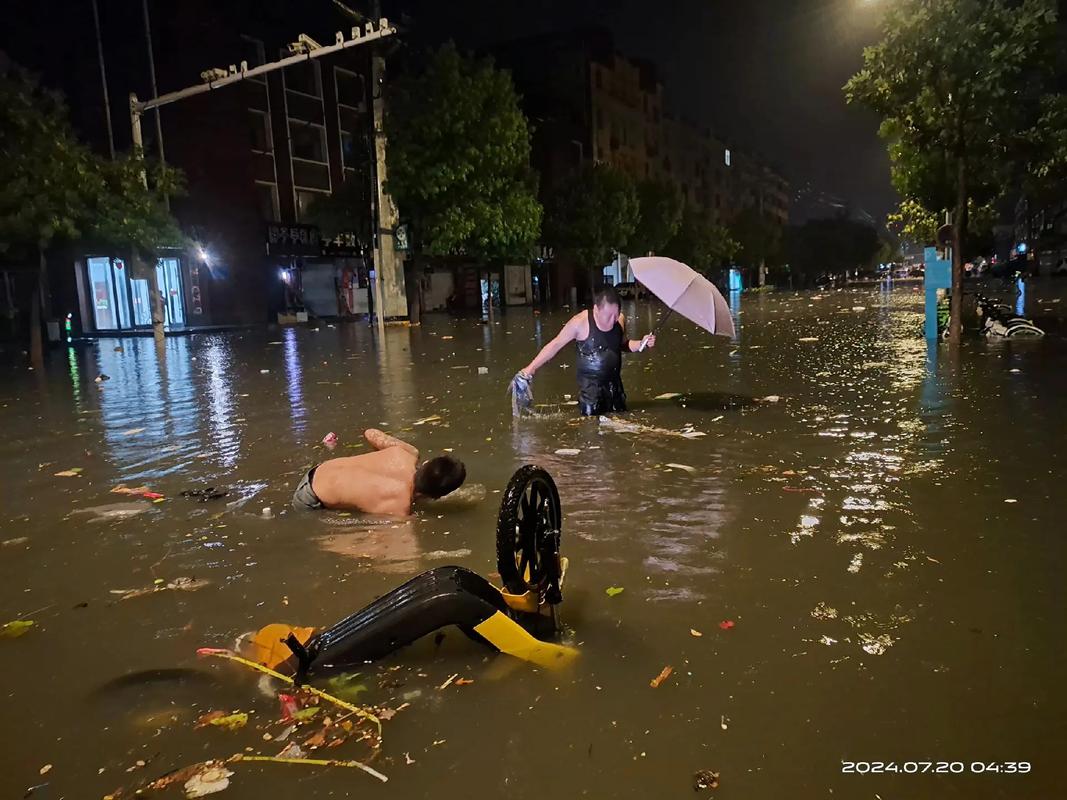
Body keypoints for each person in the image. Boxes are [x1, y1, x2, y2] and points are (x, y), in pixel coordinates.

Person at [512, 285, 656, 416]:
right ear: (596, 310)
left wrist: (641, 344)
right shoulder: (579, 323)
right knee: (591, 431)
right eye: (608, 316)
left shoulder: (620, 320)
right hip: (590, 392)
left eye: (616, 315)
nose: (613, 320)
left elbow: (623, 344)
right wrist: (531, 368)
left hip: (615, 389)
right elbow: (555, 345)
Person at [292, 428, 466, 516]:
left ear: (427, 463)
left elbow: (370, 433)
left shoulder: (406, 453)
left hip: (319, 470)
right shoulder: (398, 508)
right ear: (437, 496)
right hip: (309, 501)